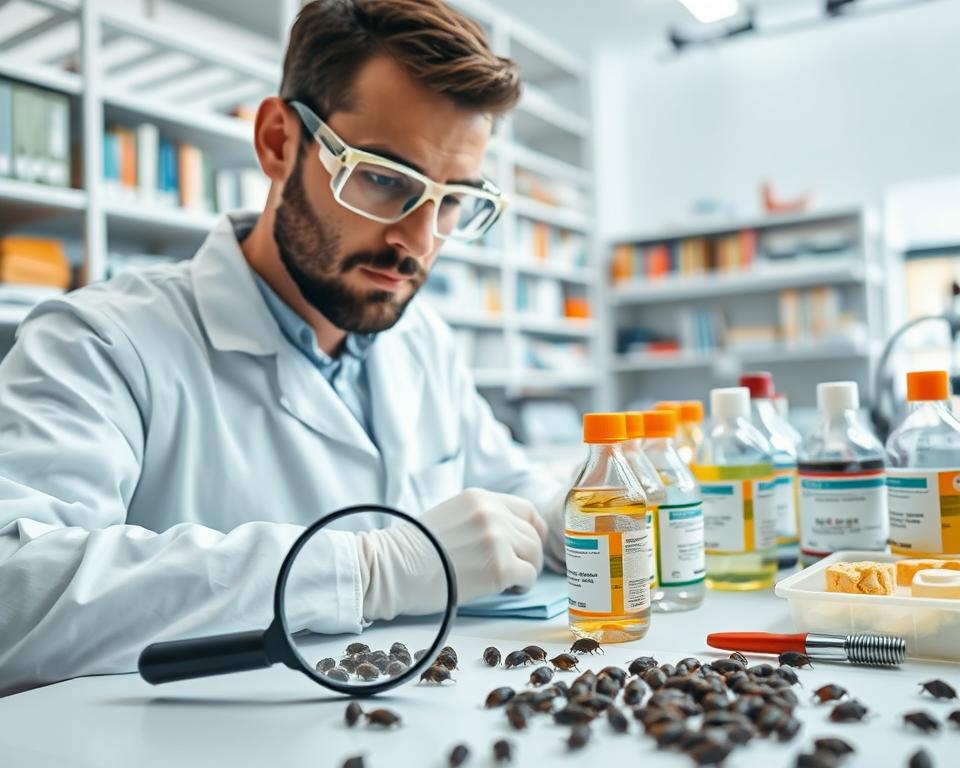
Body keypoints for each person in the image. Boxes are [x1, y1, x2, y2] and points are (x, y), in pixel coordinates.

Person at [0, 0, 568, 695]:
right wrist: (365, 571)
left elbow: (505, 483)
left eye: (450, 201)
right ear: (276, 141)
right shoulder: (99, 341)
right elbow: (14, 597)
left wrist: (575, 513)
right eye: (385, 180)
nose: (417, 243)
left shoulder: (421, 340)